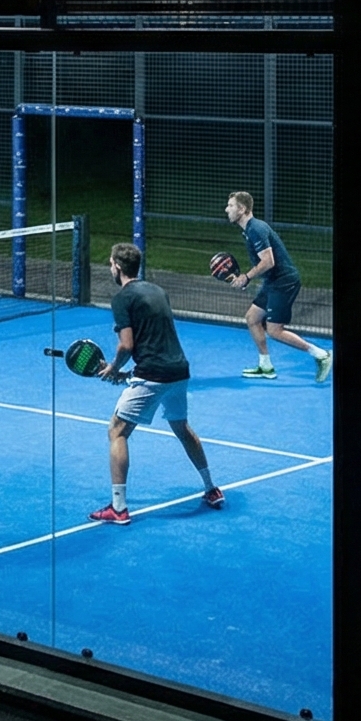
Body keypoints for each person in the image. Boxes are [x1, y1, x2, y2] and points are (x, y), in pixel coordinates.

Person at [90, 242, 224, 526]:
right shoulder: (157, 291)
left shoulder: (122, 299)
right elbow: (154, 339)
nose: (110, 267)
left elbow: (127, 344)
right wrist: (129, 373)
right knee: (182, 428)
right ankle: (211, 489)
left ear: (117, 266)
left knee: (117, 431)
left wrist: (115, 367)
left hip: (153, 374)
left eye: (110, 263)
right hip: (178, 370)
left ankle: (118, 508)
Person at [222, 191, 329, 382]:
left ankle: (321, 355)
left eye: (230, 206)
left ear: (242, 209)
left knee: (274, 330)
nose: (226, 209)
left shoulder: (256, 229)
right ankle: (265, 366)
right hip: (272, 281)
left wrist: (246, 277)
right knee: (252, 318)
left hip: (284, 281)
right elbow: (265, 265)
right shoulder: (248, 230)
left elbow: (268, 261)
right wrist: (247, 279)